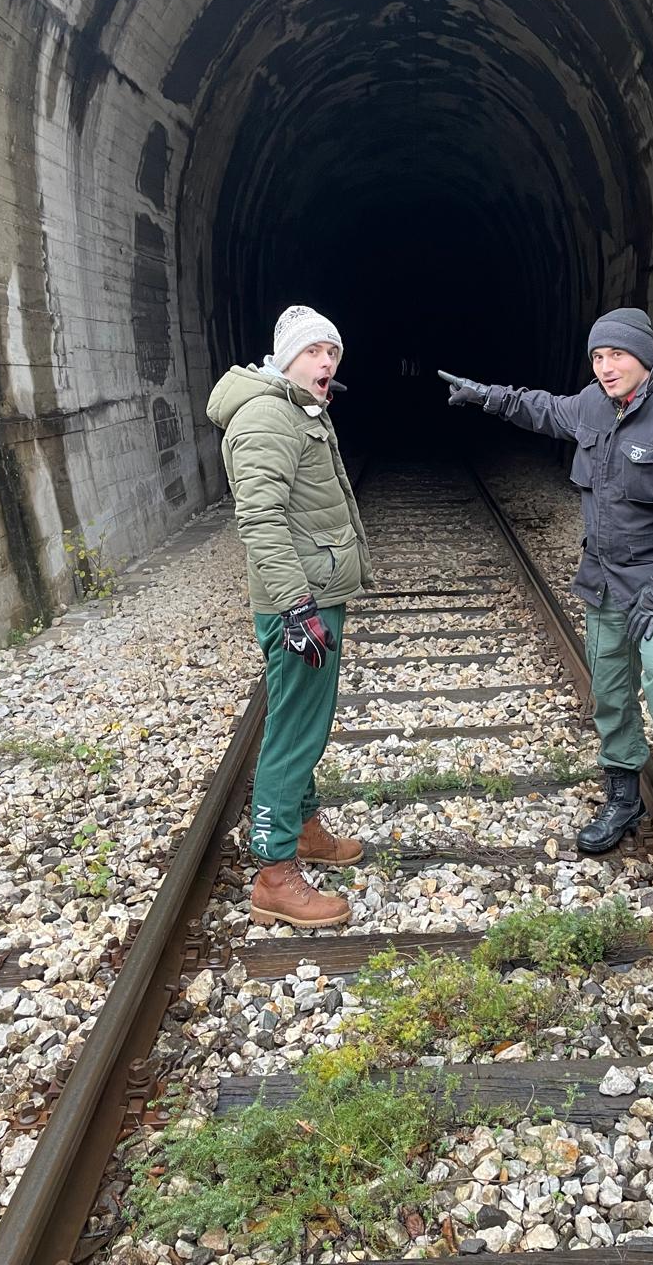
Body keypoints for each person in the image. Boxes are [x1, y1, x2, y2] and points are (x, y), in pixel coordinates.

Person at [438, 307, 653, 870]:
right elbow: (542, 408)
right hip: (603, 579)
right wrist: (486, 396)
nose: (606, 366)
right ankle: (623, 797)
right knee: (611, 691)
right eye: (597, 356)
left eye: (616, 354)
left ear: (643, 355)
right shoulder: (595, 402)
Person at [208, 305, 373, 926]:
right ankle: (275, 875)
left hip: (313, 592)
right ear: (285, 358)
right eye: (312, 351)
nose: (325, 361)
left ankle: (305, 832)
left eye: (332, 350)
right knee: (292, 732)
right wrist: (298, 607)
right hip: (297, 602)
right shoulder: (265, 419)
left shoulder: (298, 409)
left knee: (304, 719)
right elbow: (259, 522)